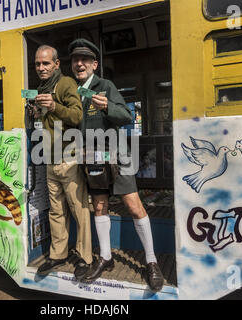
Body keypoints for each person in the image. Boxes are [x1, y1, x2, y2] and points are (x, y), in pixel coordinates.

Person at [68, 38, 164, 291]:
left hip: (117, 158)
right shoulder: (73, 92)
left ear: (94, 64)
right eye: (76, 60)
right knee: (100, 207)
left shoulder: (104, 86)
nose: (79, 64)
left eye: (85, 60)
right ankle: (106, 258)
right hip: (92, 159)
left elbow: (126, 116)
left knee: (133, 206)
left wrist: (109, 106)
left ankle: (152, 261)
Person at [32, 45, 93, 280]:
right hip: (50, 158)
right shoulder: (42, 88)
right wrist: (37, 113)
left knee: (79, 210)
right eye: (38, 64)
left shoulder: (66, 83)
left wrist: (54, 106)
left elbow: (77, 116)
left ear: (57, 64)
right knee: (56, 211)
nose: (41, 68)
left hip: (69, 158)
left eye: (46, 63)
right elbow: (49, 119)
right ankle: (58, 254)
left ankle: (85, 257)